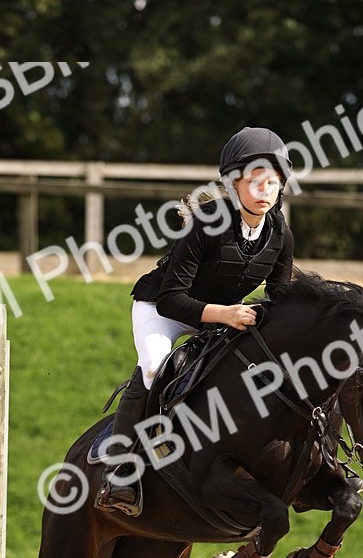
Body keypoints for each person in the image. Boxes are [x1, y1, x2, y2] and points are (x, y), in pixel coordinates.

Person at [96, 126, 295, 516]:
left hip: (222, 319)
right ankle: (120, 470)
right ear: (233, 184)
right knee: (154, 365)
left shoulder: (279, 234)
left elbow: (281, 297)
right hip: (163, 311)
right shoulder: (207, 223)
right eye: (255, 182)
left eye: (272, 182)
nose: (264, 191)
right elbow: (172, 298)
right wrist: (225, 314)